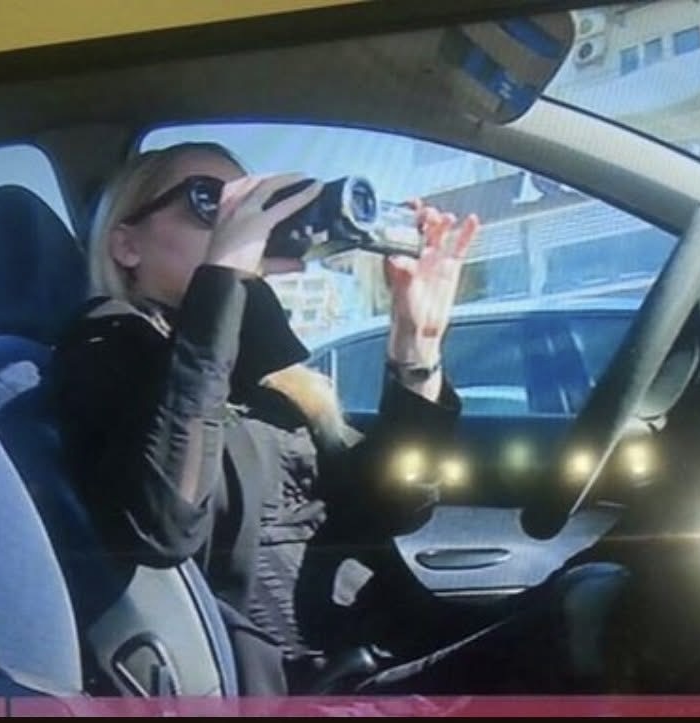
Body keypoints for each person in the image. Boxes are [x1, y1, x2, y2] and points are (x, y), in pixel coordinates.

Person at [48, 141, 483, 693]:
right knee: (581, 623)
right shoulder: (106, 349)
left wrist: (416, 346)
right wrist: (223, 280)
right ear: (127, 245)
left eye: (251, 202)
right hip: (315, 685)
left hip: (397, 643)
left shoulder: (271, 376)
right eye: (212, 202)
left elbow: (393, 505)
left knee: (584, 598)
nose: (241, 220)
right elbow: (164, 525)